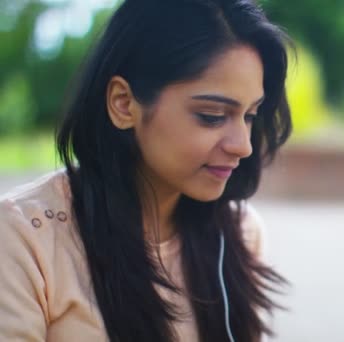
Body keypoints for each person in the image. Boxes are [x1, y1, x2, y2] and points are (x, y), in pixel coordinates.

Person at [0, 0, 292, 341]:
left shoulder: (240, 232)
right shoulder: (22, 239)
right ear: (123, 104)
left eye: (249, 115)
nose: (243, 145)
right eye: (212, 116)